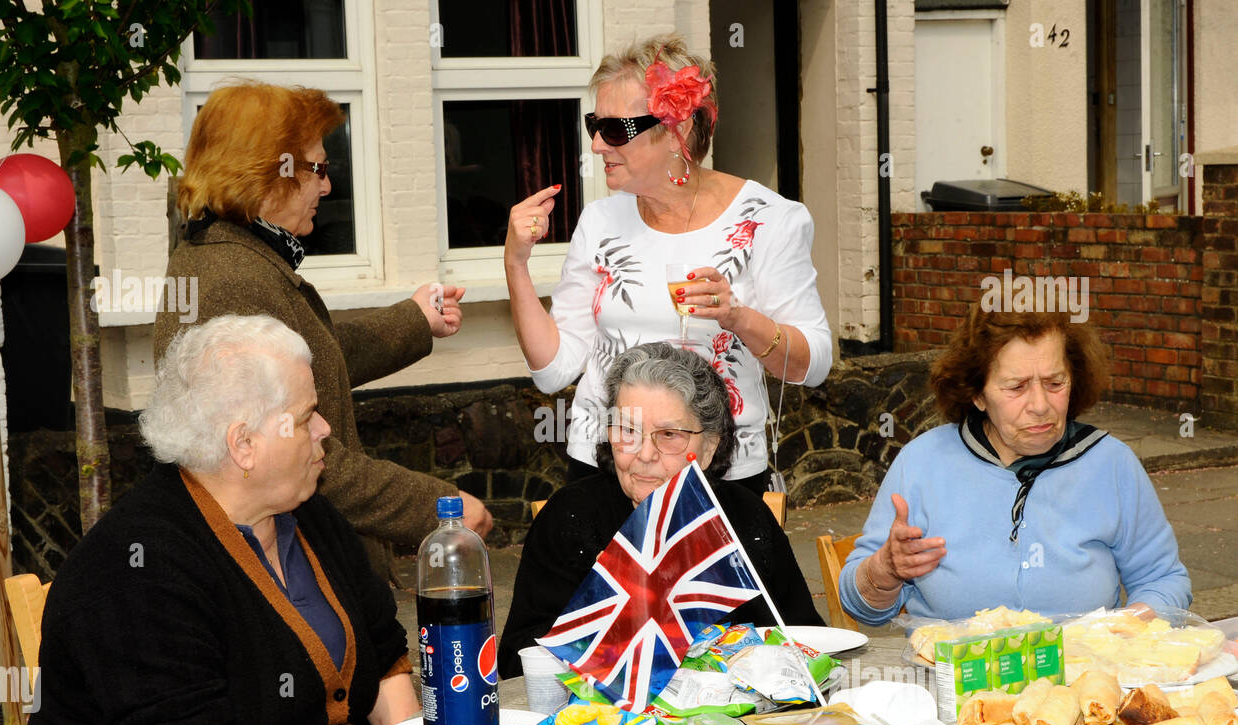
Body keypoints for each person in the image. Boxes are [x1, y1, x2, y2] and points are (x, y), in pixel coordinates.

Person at [27, 316, 433, 725]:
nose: (325, 430)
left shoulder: (306, 514)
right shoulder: (137, 568)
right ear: (243, 444)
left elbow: (382, 654)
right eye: (307, 416)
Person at [154, 80, 491, 584]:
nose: (327, 186)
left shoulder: (237, 260)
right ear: (268, 172)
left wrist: (414, 320)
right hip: (287, 569)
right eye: (318, 168)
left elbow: (311, 363)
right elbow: (294, 454)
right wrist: (437, 509)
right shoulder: (230, 281)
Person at [503, 34, 832, 494]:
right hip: (605, 468)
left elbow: (811, 365)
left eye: (616, 129)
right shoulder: (600, 221)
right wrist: (516, 266)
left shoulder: (770, 221)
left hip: (717, 475)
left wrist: (738, 317)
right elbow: (554, 369)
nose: (597, 145)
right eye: (593, 124)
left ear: (675, 131)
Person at [839, 305, 1191, 627]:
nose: (1040, 405)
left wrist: (1125, 630)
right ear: (977, 394)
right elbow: (862, 609)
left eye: (1055, 383)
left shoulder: (1111, 465)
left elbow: (1164, 580)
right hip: (952, 682)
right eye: (1016, 387)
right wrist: (885, 569)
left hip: (1081, 684)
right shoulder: (923, 462)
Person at [498, 342, 824, 678]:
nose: (645, 454)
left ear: (710, 446)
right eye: (628, 430)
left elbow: (805, 639)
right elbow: (519, 662)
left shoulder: (742, 517)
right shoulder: (571, 518)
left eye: (669, 435)